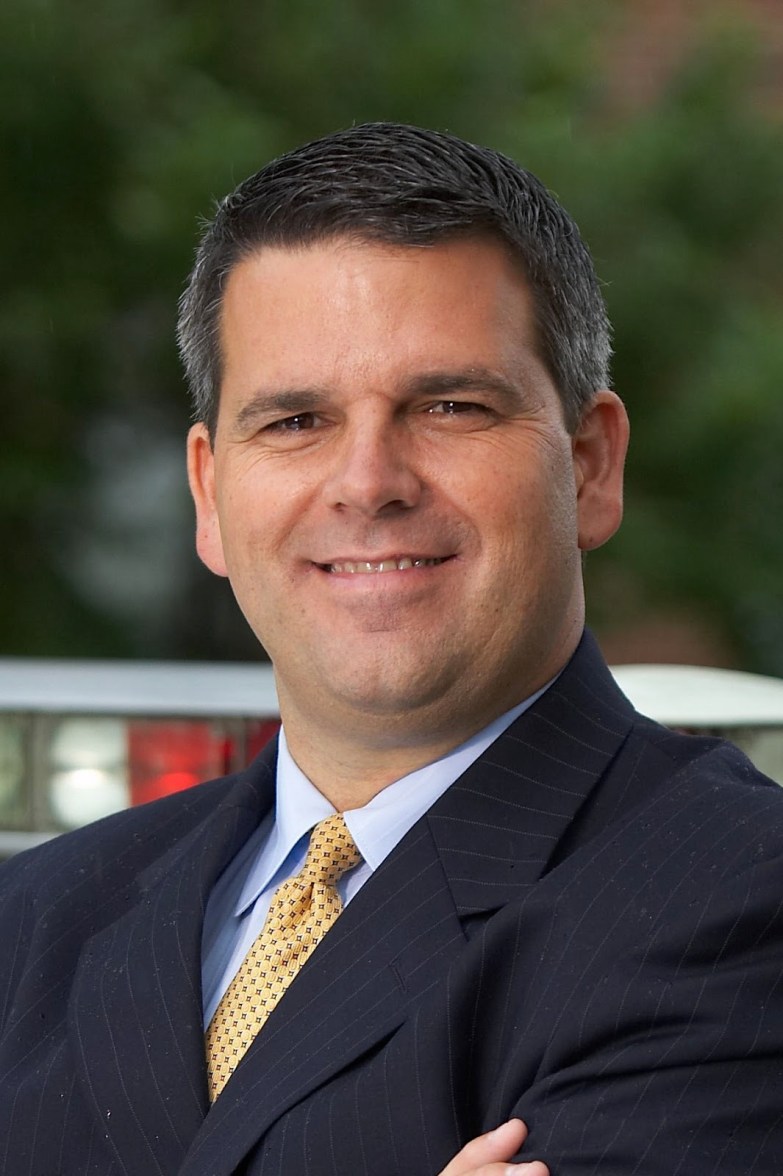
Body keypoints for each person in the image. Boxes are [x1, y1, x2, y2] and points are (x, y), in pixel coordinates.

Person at [1, 123, 781, 1176]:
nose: (368, 483)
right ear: (209, 495)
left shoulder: (738, 897)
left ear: (590, 465)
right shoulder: (35, 918)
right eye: (295, 421)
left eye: (450, 406)